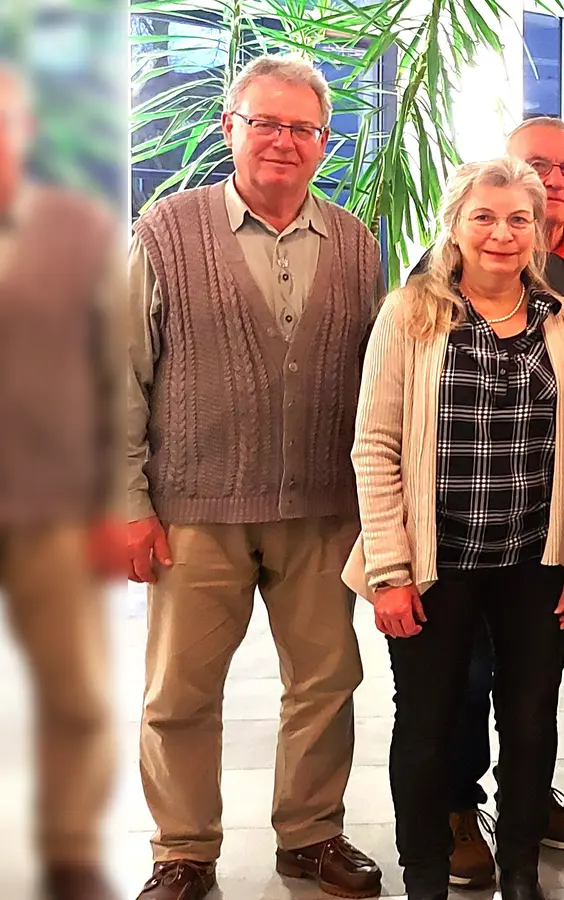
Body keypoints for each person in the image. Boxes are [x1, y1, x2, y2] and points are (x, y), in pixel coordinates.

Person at [126, 55, 385, 900]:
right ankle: (184, 851)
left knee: (325, 681)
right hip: (196, 505)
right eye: (264, 123)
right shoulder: (167, 229)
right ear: (230, 129)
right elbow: (116, 373)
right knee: (178, 694)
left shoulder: (354, 243)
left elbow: (373, 383)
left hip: (320, 509)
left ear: (324, 143)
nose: (282, 141)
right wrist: (128, 503)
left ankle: (311, 835)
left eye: (301, 128)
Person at [344, 156, 564, 900]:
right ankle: (424, 876)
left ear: (540, 230)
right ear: (455, 226)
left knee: (529, 725)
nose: (501, 233)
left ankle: (521, 871)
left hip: (536, 560)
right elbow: (375, 446)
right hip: (435, 565)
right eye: (483, 217)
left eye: (518, 219)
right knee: (427, 728)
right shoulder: (411, 314)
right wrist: (390, 572)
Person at [437, 116, 564, 887]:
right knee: (466, 680)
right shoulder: (435, 286)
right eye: (541, 166)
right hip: (457, 534)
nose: (557, 181)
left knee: (535, 681)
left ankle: (526, 799)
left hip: (549, 528)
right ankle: (455, 808)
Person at [0, 63, 120, 900]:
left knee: (77, 696)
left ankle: (71, 849)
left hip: (50, 504)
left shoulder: (78, 231)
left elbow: (118, 373)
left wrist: (116, 503)